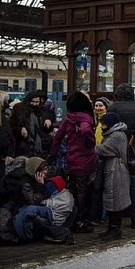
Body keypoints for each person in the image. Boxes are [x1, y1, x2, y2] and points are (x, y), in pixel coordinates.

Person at [50, 91, 96, 233]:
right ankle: (80, 220)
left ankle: (71, 216)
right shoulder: (86, 119)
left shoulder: (68, 118)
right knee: (82, 191)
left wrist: (52, 154)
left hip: (71, 159)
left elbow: (58, 137)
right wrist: (91, 142)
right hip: (84, 159)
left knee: (71, 189)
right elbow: (86, 130)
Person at [109, 84, 135, 229]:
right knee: (133, 183)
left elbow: (107, 127)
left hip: (115, 150)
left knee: (116, 183)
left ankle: (116, 218)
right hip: (133, 148)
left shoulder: (114, 107)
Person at [94, 112, 131, 241]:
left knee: (115, 199)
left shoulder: (116, 135)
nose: (102, 125)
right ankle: (111, 228)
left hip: (116, 171)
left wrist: (97, 146)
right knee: (112, 199)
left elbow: (102, 149)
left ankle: (115, 229)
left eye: (104, 123)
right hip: (112, 169)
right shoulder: (113, 134)